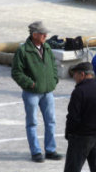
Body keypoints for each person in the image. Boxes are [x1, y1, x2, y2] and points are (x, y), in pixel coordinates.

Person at [11, 21, 62, 163]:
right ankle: (36, 152)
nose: (46, 35)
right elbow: (16, 72)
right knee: (32, 122)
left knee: (51, 121)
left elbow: (53, 65)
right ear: (34, 35)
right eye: (42, 33)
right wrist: (30, 84)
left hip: (48, 92)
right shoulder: (23, 51)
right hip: (32, 93)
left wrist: (54, 79)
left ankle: (51, 150)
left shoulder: (47, 47)